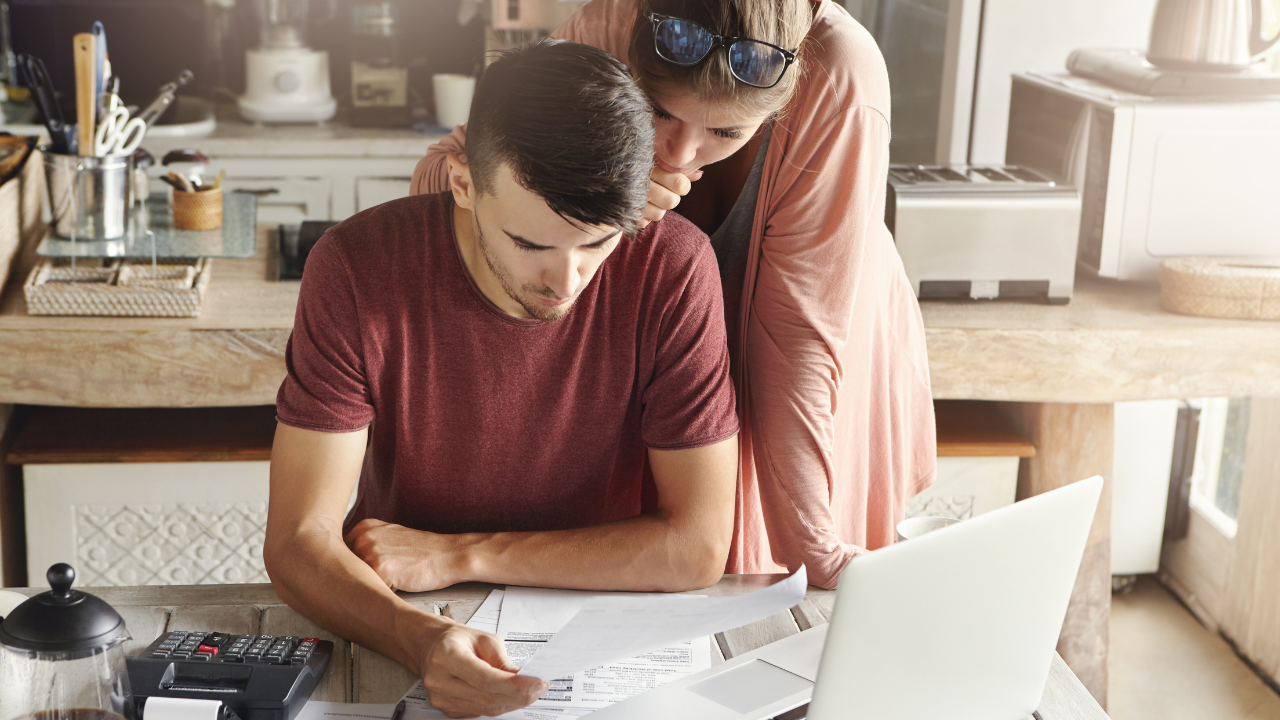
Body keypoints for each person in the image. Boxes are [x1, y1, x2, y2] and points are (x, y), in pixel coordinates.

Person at [267, 40, 740, 719]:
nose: (566, 281)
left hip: (605, 639)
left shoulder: (675, 268)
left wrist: (460, 554)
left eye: (598, 242)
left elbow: (695, 549)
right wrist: (425, 642)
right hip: (407, 617)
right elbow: (296, 542)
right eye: (530, 244)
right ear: (462, 183)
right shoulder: (354, 267)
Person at [413, 0, 937, 591]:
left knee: (791, 593)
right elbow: (444, 176)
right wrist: (600, 186)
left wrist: (814, 546)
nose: (680, 152)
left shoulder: (837, 71)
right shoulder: (611, 25)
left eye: (727, 131)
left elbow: (798, 339)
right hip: (669, 376)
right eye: (658, 111)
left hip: (815, 362)